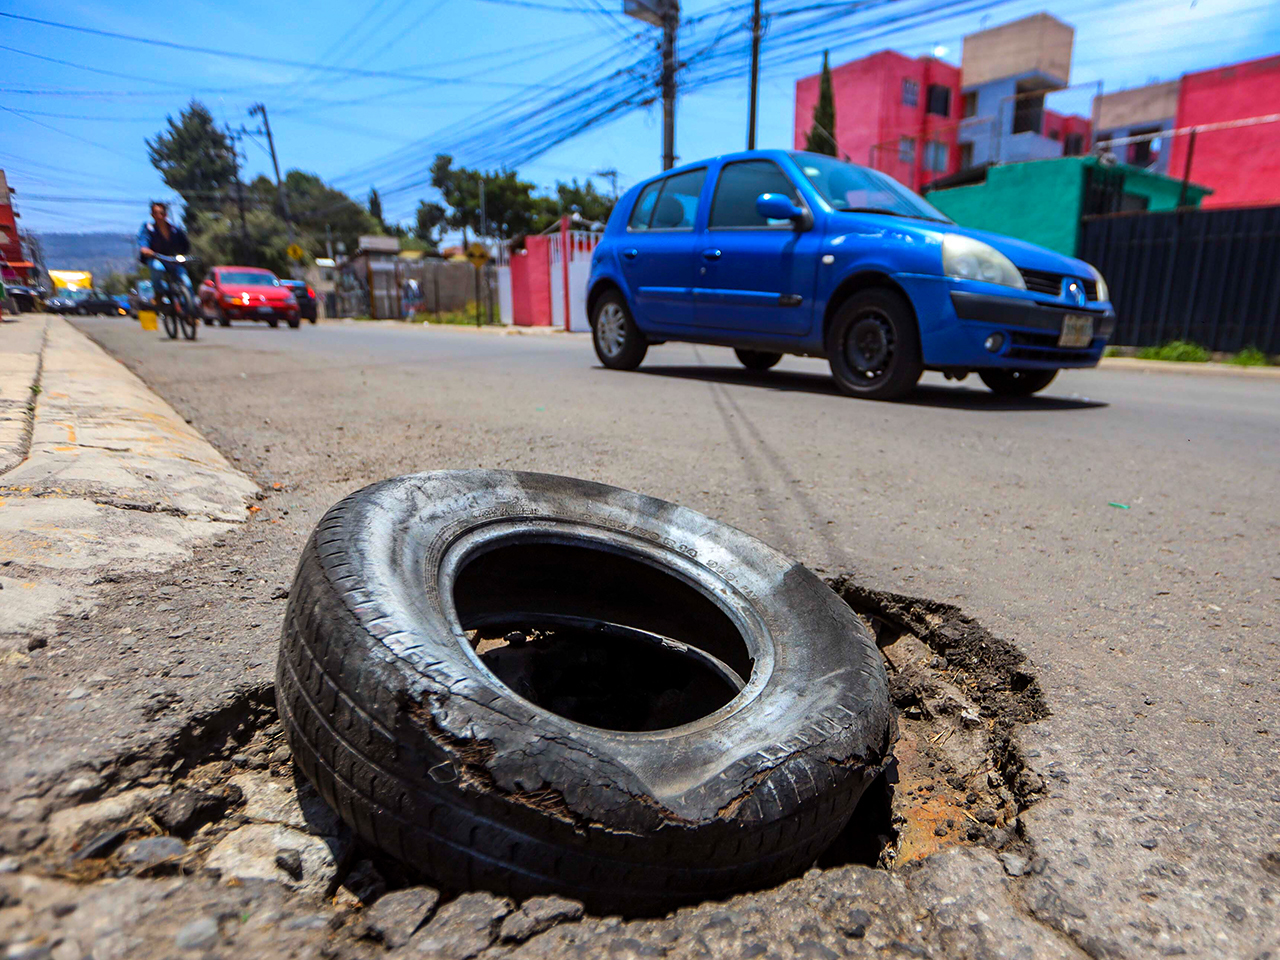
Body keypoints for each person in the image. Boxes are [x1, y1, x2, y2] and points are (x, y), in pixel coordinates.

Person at [137, 201, 192, 310]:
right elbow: (143, 241)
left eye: (161, 213)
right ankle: (159, 293)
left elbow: (185, 244)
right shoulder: (148, 228)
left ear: (165, 214)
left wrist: (184, 255)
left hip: (173, 259)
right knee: (157, 268)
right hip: (156, 258)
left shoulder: (175, 229)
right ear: (152, 215)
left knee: (187, 283)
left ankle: (189, 311)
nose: (159, 216)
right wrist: (145, 249)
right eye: (156, 213)